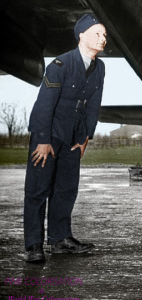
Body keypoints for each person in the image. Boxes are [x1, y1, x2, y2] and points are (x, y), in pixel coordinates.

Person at [24, 14, 107, 263]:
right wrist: (42, 139)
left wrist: (85, 138)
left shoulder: (99, 68)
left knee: (66, 190)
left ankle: (60, 240)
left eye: (104, 35)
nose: (103, 39)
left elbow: (93, 105)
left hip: (73, 138)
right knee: (38, 190)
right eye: (97, 34)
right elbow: (43, 106)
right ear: (81, 36)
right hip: (49, 136)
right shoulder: (60, 65)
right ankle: (34, 246)